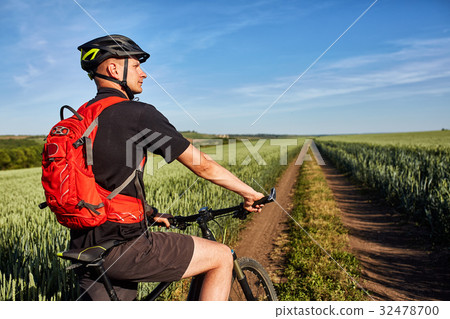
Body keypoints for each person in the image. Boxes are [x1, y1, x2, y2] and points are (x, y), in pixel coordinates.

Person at [72, 34, 265, 301]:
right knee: (222, 256)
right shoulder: (137, 114)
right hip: (126, 246)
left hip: (85, 247)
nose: (144, 74)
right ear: (114, 68)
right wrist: (250, 194)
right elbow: (203, 166)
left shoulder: (80, 118)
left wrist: (149, 212)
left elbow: (100, 181)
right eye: (137, 65)